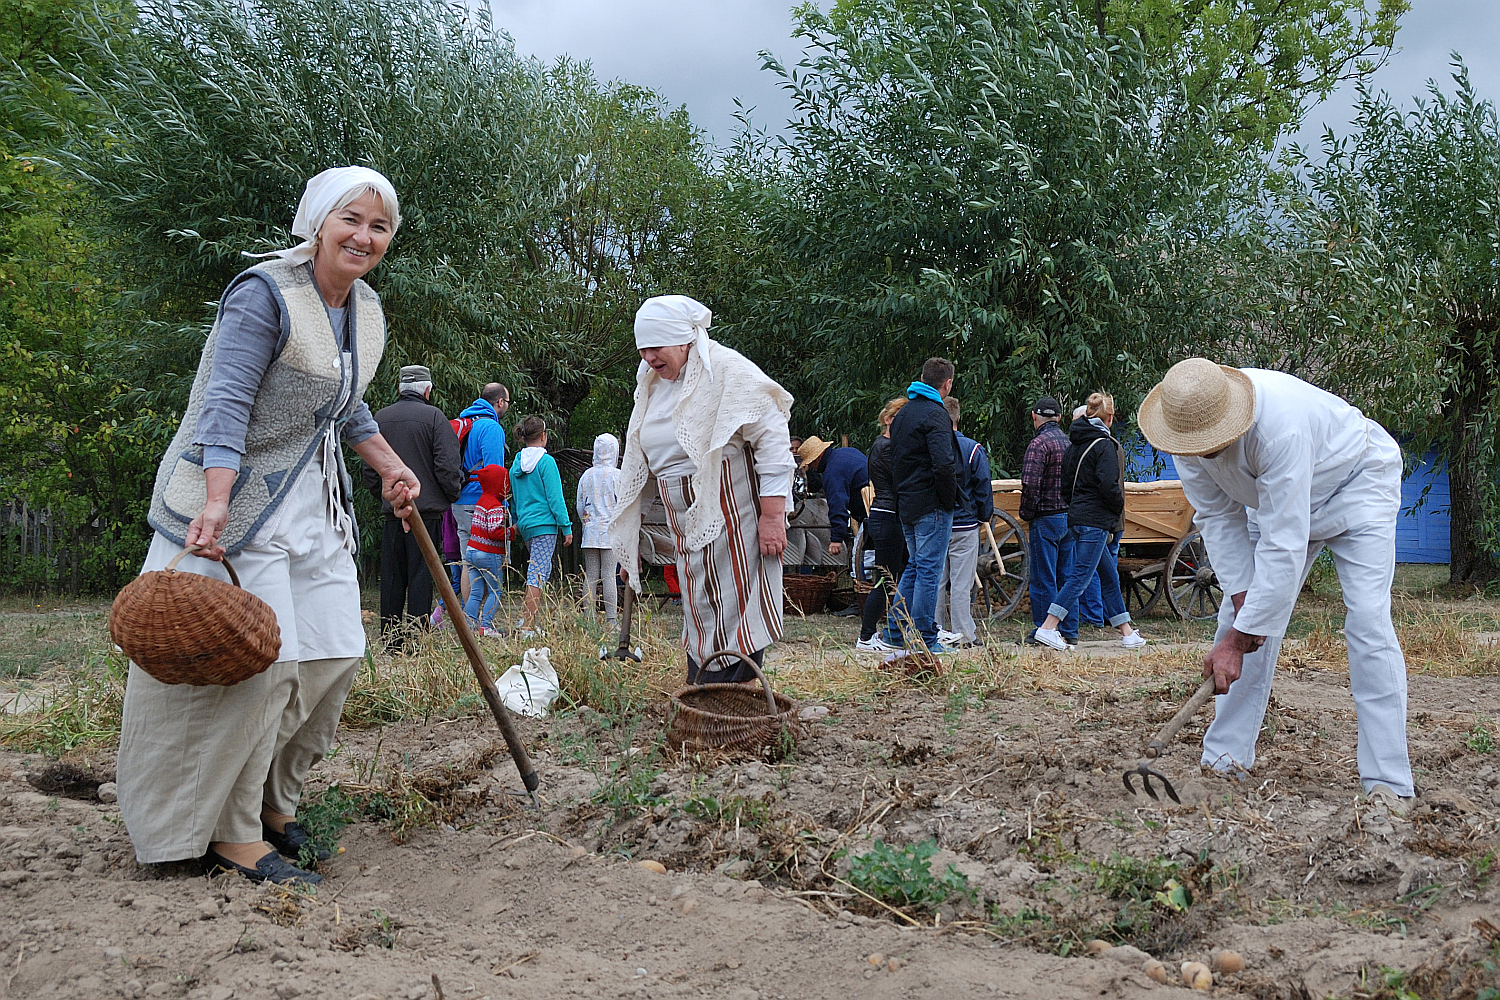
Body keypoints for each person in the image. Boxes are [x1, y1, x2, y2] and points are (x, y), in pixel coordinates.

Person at [118, 166, 419, 885]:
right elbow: (225, 401)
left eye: (379, 226)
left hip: (313, 503)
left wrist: (388, 464)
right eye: (351, 220)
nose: (364, 236)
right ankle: (227, 831)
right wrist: (215, 500)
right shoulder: (264, 294)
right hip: (239, 508)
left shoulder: (363, 305)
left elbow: (344, 405)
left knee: (332, 652)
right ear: (317, 222)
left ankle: (271, 804)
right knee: (260, 668)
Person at [1139, 358, 1413, 806]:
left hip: (1356, 484)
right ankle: (1225, 762)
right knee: (1235, 616)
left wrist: (1242, 636)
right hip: (1275, 505)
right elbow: (1218, 519)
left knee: (1367, 621)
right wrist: (1245, 615)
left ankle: (1388, 783)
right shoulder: (1182, 434)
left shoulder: (1279, 426)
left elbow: (1285, 543)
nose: (1204, 452)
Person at [610, 294, 794, 684]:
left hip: (735, 516)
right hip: (685, 524)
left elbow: (773, 435)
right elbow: (638, 466)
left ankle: (734, 698)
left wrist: (773, 515)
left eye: (655, 347)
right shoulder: (650, 387)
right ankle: (706, 691)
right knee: (700, 609)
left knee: (735, 604)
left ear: (683, 340)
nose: (648, 357)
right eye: (642, 348)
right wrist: (628, 543)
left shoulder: (726, 370)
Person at [1033, 392, 1146, 651]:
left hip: (1076, 517)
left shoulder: (1075, 444)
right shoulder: (1104, 445)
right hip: (1096, 520)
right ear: (1110, 417)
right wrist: (1117, 507)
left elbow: (1064, 485)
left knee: (1107, 575)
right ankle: (1048, 627)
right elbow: (1109, 486)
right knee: (1080, 576)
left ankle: (1127, 631)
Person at [364, 364, 462, 650]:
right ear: (428, 390)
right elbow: (447, 466)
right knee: (422, 575)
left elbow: (370, 470)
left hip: (393, 511)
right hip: (426, 512)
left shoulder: (380, 418)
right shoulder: (435, 418)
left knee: (392, 575)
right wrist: (449, 495)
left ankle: (392, 640)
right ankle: (417, 639)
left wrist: (387, 496)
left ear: (400, 389)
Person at [883, 357, 962, 655]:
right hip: (931, 504)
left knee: (915, 567)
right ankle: (925, 639)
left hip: (907, 502)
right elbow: (944, 464)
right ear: (948, 384)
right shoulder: (936, 414)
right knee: (929, 571)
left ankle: (894, 632)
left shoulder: (904, 414)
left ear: (921, 377)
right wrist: (948, 498)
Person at [1019, 397, 1077, 647]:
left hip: (1045, 517)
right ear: (1060, 418)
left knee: (1044, 578)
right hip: (1069, 517)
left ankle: (1044, 630)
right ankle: (1070, 628)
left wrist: (1027, 513)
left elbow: (1030, 484)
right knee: (1067, 576)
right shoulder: (1071, 443)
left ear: (1034, 417)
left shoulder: (1038, 444)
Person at [936, 397, 993, 648]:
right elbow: (983, 486)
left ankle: (934, 630)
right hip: (965, 524)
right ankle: (964, 633)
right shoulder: (972, 449)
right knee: (961, 583)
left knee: (936, 580)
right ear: (959, 417)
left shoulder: (933, 448)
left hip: (937, 523)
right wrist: (984, 515)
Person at [510, 415, 573, 635]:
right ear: (544, 436)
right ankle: (526, 625)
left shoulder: (516, 464)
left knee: (537, 571)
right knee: (537, 573)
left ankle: (528, 621)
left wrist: (517, 522)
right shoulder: (546, 462)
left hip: (526, 526)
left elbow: (515, 498)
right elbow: (556, 498)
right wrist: (566, 526)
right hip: (545, 524)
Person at [856, 398, 908, 652]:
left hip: (888, 514)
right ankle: (866, 636)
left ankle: (900, 628)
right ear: (888, 420)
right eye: (899, 418)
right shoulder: (886, 447)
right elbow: (902, 481)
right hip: (887, 515)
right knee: (885, 578)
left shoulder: (887, 446)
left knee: (900, 575)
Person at [451, 382, 510, 605]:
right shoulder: (491, 428)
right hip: (481, 504)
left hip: (459, 501)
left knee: (468, 561)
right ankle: (486, 621)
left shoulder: (466, 423)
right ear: (500, 402)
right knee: (488, 561)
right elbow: (495, 472)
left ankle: (471, 620)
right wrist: (500, 506)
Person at [576, 433, 622, 626]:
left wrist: (586, 522)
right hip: (610, 532)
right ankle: (611, 620)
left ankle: (589, 618)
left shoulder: (587, 475)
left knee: (591, 574)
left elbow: (580, 505)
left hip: (590, 531)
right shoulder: (617, 476)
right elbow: (624, 504)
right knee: (609, 575)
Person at [797, 436, 868, 557]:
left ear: (818, 458)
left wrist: (836, 539)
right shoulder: (848, 452)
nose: (812, 467)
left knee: (862, 557)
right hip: (881, 505)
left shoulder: (832, 472)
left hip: (869, 513)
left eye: (811, 462)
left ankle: (860, 575)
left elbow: (838, 504)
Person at [463, 463, 510, 635]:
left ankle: (469, 626)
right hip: (488, 554)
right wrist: (511, 531)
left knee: (476, 592)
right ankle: (486, 626)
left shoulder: (481, 501)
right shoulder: (496, 506)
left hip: (471, 551)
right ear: (498, 484)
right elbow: (495, 532)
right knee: (495, 591)